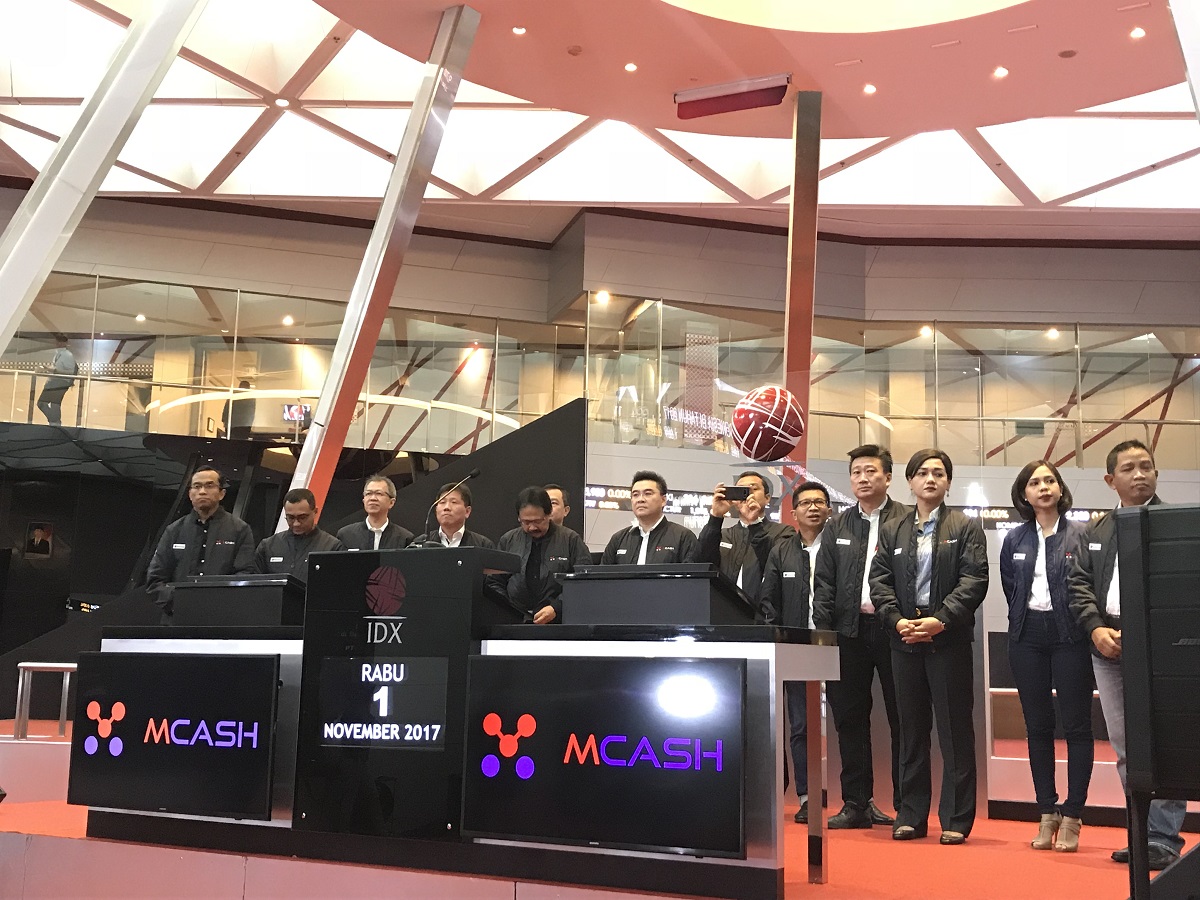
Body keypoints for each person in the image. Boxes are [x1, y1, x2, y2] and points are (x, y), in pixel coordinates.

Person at [1068, 439, 1186, 871]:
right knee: (1126, 749)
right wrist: (1095, 628)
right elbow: (1078, 585)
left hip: (1162, 648)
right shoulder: (1096, 530)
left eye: (1146, 466)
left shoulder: (1176, 523)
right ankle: (1140, 835)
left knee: (1166, 741)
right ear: (1110, 479)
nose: (1140, 474)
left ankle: (1163, 838)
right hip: (1109, 647)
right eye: (1129, 468)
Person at [871, 448, 988, 845]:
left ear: (948, 482)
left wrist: (941, 620)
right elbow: (879, 581)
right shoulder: (893, 529)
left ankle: (956, 818)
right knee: (910, 731)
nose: (930, 479)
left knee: (955, 732)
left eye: (939, 473)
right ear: (910, 481)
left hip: (948, 639)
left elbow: (974, 580)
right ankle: (911, 814)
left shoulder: (965, 526)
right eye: (922, 473)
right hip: (903, 638)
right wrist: (896, 620)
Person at [812, 444, 908, 830]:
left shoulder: (906, 520)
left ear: (888, 477)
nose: (863, 478)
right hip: (848, 634)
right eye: (856, 472)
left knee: (904, 718)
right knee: (849, 719)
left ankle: (907, 806)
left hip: (896, 631)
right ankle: (856, 803)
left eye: (871, 471)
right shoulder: (838, 526)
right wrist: (824, 637)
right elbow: (824, 585)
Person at [1001, 460, 1092, 853]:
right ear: (1024, 493)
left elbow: (1088, 584)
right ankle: (1046, 812)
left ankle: (1073, 815)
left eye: (1050, 480)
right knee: (1037, 727)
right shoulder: (1014, 539)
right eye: (1035, 482)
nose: (1043, 487)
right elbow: (1010, 587)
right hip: (1026, 636)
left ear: (1060, 488)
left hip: (1070, 635)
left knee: (1077, 727)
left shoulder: (1081, 534)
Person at [759, 480, 832, 825]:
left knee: (847, 724)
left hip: (837, 646)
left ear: (829, 510)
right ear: (794, 512)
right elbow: (768, 600)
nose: (813, 508)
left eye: (819, 502)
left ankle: (856, 799)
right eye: (805, 503)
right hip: (797, 649)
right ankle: (806, 796)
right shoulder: (782, 550)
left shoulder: (839, 545)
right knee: (801, 725)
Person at [146, 465, 255, 619]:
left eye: (209, 486)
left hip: (222, 618)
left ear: (222, 493)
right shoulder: (174, 530)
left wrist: (214, 602)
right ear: (190, 494)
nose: (202, 491)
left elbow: (245, 575)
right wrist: (182, 602)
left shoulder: (240, 530)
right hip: (177, 619)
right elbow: (155, 579)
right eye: (197, 486)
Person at [493, 486, 591, 623]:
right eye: (526, 522)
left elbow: (584, 582)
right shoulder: (508, 540)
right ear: (519, 518)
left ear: (549, 514)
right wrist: (508, 608)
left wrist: (557, 607)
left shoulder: (571, 540)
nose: (532, 527)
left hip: (559, 621)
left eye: (538, 521)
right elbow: (495, 582)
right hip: (515, 620)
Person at [698, 471, 795, 591]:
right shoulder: (724, 535)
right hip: (724, 600)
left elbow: (779, 566)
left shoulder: (783, 532)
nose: (749, 494)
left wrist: (754, 523)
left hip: (762, 601)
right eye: (742, 490)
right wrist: (715, 517)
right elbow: (701, 562)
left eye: (754, 489)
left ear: (767, 498)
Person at [599, 471, 698, 564]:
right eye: (635, 495)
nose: (640, 499)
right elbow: (603, 575)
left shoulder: (683, 537)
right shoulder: (618, 539)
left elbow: (691, 575)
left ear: (663, 500)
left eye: (648, 494)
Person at [254, 488, 343, 581]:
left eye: (302, 517)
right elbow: (254, 583)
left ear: (315, 512)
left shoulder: (332, 548)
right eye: (290, 518)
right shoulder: (267, 547)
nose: (296, 523)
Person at [337, 475, 414, 551]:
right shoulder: (346, 535)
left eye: (379, 493)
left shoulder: (404, 538)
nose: (373, 498)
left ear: (391, 502)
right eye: (368, 494)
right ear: (363, 501)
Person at [409, 482, 495, 548]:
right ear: (436, 509)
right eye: (442, 502)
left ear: (467, 511)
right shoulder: (420, 543)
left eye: (454, 502)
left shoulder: (483, 545)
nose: (446, 507)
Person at [36, 334, 77, 426]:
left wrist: (53, 370)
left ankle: (55, 422)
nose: (57, 344)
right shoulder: (58, 354)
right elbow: (56, 367)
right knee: (51, 404)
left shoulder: (68, 355)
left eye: (59, 342)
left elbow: (70, 372)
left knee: (49, 403)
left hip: (60, 382)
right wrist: (47, 369)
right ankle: (55, 422)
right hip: (54, 381)